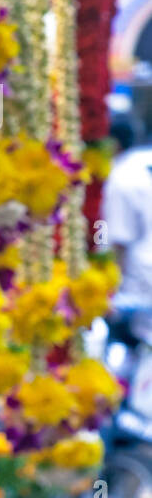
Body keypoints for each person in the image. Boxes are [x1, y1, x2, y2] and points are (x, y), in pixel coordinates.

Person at [102, 127, 152, 342]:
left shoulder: (121, 176)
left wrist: (107, 293)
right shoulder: (140, 167)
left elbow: (118, 240)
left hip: (138, 284)